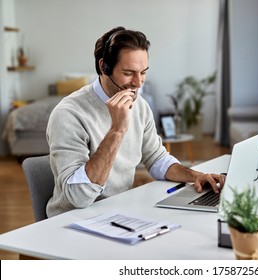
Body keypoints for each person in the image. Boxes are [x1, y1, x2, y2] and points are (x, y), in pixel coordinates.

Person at [46, 27, 225, 217]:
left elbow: (157, 158)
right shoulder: (68, 114)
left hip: (118, 212)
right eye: (129, 73)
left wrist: (195, 176)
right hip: (73, 220)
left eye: (143, 72)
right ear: (103, 67)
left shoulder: (139, 105)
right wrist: (117, 130)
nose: (139, 83)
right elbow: (78, 197)